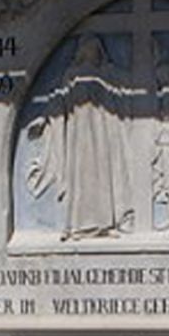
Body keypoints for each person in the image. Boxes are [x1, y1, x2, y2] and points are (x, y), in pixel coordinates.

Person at [23, 35, 135, 240]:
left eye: (95, 49)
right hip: (79, 137)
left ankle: (105, 224)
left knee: (104, 177)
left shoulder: (106, 74)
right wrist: (43, 120)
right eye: (88, 49)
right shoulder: (72, 75)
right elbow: (58, 102)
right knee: (81, 179)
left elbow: (125, 95)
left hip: (103, 135)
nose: (91, 53)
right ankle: (77, 226)